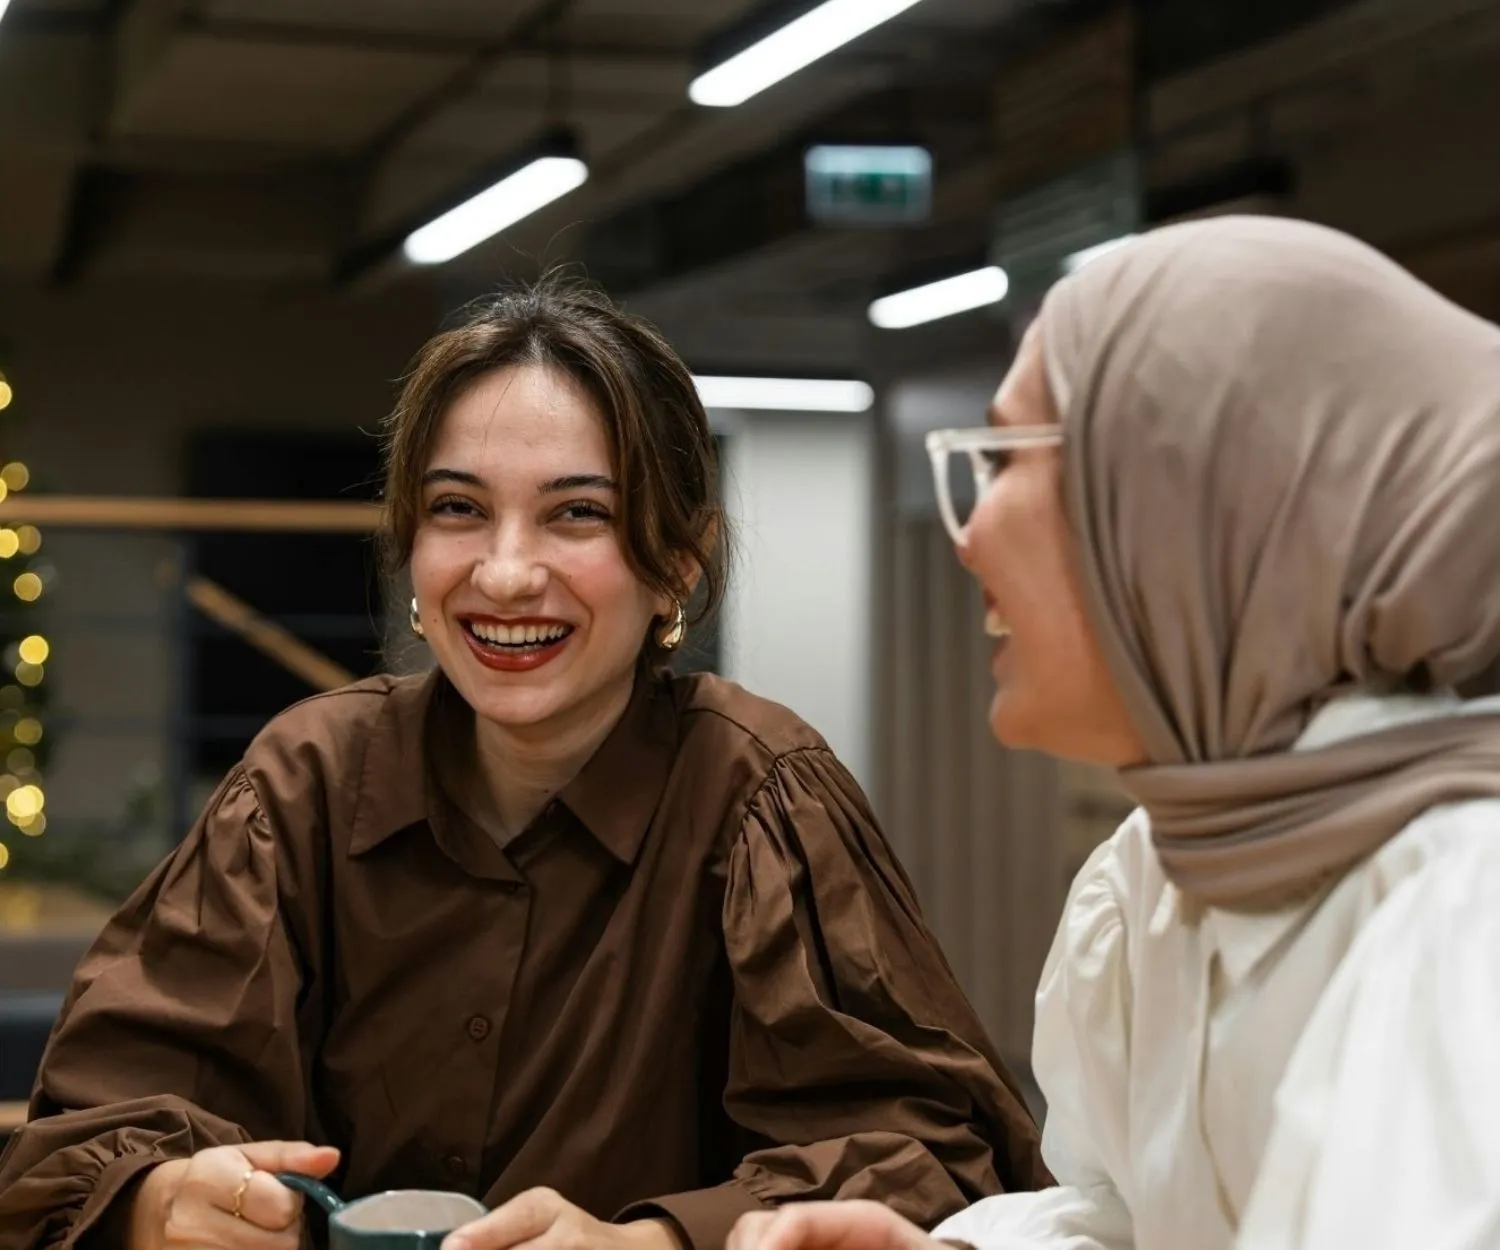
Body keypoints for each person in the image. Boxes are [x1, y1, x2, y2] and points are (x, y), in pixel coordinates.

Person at [0, 277, 1047, 1250]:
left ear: (678, 559)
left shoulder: (760, 794)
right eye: (458, 508)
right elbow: (88, 1129)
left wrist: (656, 1240)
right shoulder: (304, 780)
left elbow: (932, 1158)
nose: (505, 573)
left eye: (576, 513)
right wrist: (156, 1198)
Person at [725, 216, 1500, 1250]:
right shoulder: (1157, 873)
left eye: (1009, 458)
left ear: (1198, 515)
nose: (970, 531)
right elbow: (1129, 1217)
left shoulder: (1463, 915)